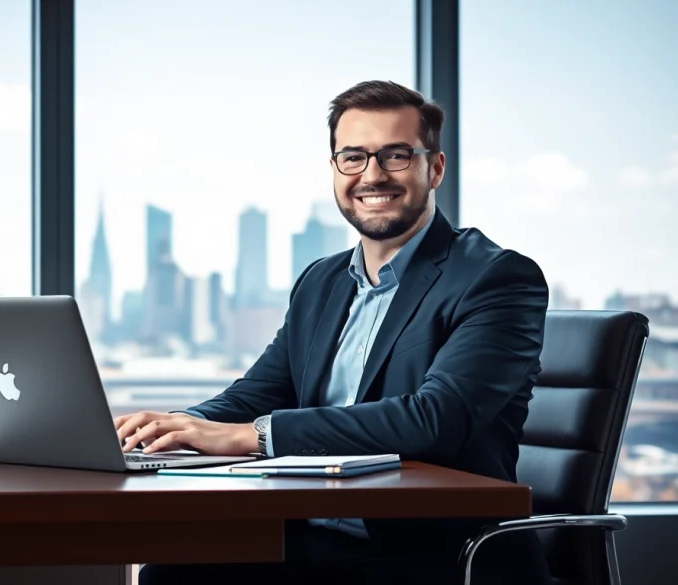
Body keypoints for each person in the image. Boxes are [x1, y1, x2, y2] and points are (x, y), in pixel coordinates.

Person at [114, 80, 553, 585]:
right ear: (334, 170)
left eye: (395, 156)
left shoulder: (495, 278)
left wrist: (256, 437)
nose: (372, 175)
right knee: (169, 575)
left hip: (432, 556)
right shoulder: (320, 281)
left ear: (434, 168)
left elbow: (437, 418)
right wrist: (165, 430)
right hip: (306, 540)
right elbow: (259, 393)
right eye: (354, 157)